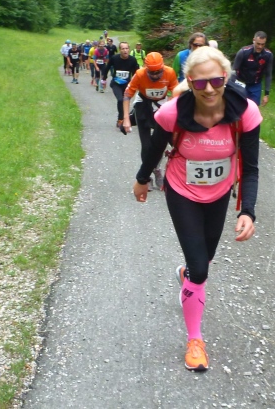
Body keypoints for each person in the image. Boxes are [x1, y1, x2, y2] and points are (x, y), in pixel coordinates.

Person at [131, 46, 262, 372]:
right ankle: (195, 340)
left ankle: (187, 274)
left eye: (216, 81)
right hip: (182, 190)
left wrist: (248, 211)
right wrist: (142, 179)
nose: (210, 89)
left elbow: (250, 168)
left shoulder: (245, 112)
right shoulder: (173, 113)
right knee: (201, 269)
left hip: (220, 192)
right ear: (189, 82)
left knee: (204, 258)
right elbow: (154, 150)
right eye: (200, 83)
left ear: (226, 78)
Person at [122, 52, 178, 188]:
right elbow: (127, 95)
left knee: (162, 142)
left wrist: (171, 108)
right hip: (143, 104)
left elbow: (176, 93)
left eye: (158, 72)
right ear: (146, 69)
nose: (155, 76)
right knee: (146, 145)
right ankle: (148, 175)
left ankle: (157, 169)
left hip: (161, 105)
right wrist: (126, 119)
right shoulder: (139, 74)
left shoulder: (170, 72)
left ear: (163, 67)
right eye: (151, 73)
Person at [232, 31, 273, 107]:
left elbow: (268, 75)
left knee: (254, 108)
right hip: (241, 83)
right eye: (258, 44)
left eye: (262, 44)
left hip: (256, 85)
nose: (260, 47)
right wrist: (232, 87)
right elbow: (234, 70)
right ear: (254, 40)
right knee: (240, 107)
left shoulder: (268, 55)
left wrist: (266, 94)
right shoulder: (243, 52)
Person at [107, 41, 139, 128]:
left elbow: (136, 73)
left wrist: (137, 84)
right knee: (120, 100)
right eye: (123, 49)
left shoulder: (133, 60)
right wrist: (103, 78)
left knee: (125, 101)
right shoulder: (114, 58)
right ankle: (120, 119)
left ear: (129, 49)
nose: (125, 50)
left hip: (127, 84)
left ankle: (125, 118)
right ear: (120, 50)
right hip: (116, 84)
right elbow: (107, 67)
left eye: (126, 48)